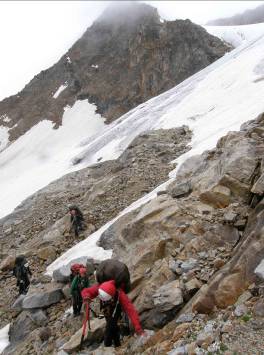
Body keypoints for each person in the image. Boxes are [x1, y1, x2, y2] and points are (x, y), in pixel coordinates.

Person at [81, 279, 144, 348]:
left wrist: (138, 327)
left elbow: (131, 311)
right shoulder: (99, 287)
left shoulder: (120, 295)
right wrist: (86, 297)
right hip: (106, 309)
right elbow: (85, 291)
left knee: (111, 325)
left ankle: (107, 345)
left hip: (116, 307)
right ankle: (117, 344)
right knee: (111, 325)